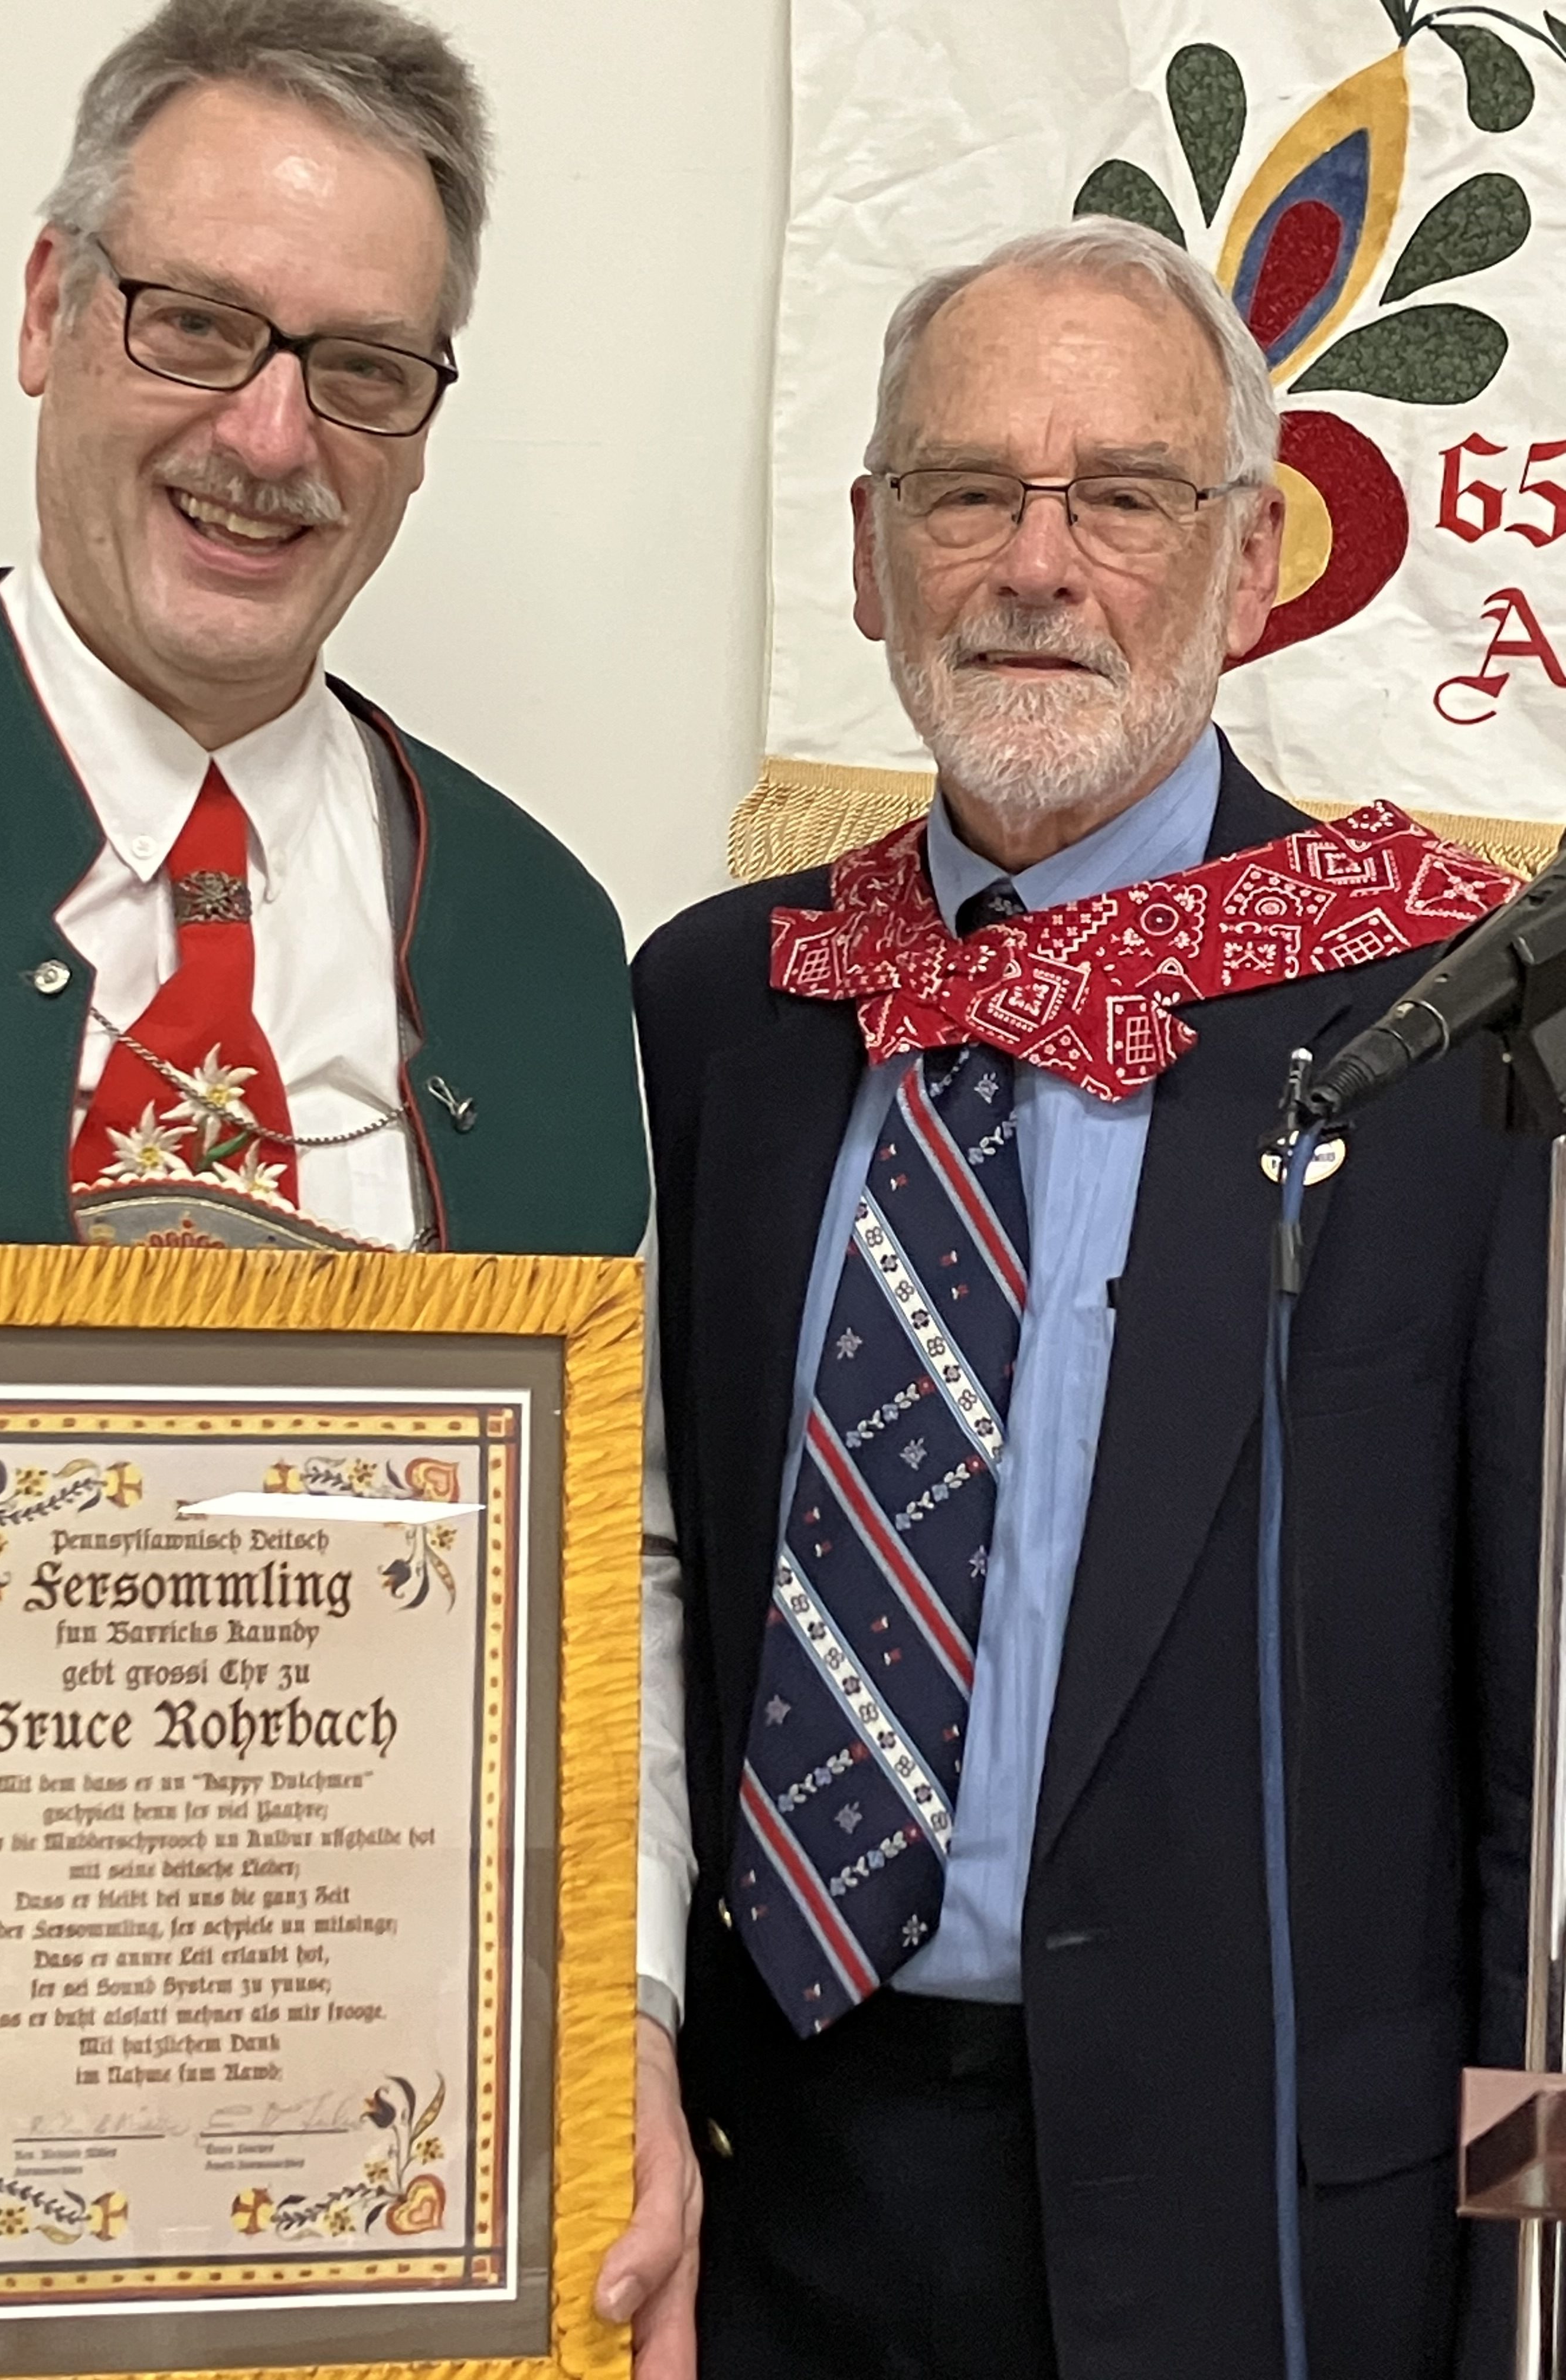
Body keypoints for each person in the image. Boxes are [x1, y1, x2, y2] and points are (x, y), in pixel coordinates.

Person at [627, 218, 1545, 2379]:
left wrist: (1522, 2249)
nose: (1037, 562)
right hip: (771, 2186)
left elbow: (1532, 1750)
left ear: (1245, 569)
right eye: (967, 491)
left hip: (1265, 2216)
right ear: (869, 553)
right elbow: (634, 1593)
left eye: (1122, 496)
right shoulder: (717, 1005)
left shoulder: (1451, 1031)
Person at [0, 0, 646, 1267]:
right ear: (46, 312)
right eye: (195, 324)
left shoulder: (548, 943)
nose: (269, 439)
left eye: (362, 366)